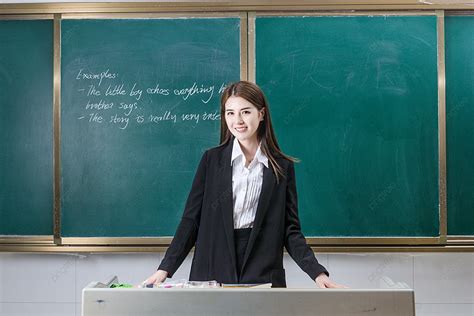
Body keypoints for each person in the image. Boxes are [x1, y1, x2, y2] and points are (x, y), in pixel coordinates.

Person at [145, 81, 344, 288]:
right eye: (230, 113)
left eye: (245, 112)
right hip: (212, 271)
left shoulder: (281, 167)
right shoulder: (211, 160)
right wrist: (165, 269)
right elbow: (191, 221)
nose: (237, 120)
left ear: (261, 114)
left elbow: (290, 231)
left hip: (263, 274)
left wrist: (318, 274)